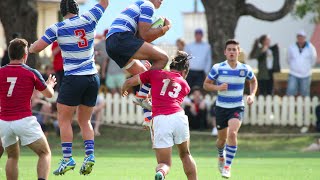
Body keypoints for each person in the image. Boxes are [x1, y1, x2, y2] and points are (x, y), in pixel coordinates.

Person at [29, 0, 109, 175]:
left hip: (73, 78)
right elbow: (105, 2)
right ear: (77, 8)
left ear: (61, 11)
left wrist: (28, 48)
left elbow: (37, 47)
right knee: (85, 121)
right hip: (92, 78)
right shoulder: (89, 18)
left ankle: (67, 159)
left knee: (64, 119)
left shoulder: (57, 28)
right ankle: (89, 155)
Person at [121, 51, 198, 180]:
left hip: (161, 120)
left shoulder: (154, 74)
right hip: (178, 117)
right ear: (184, 72)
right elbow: (168, 101)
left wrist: (124, 88)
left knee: (164, 163)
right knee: (185, 155)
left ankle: (161, 173)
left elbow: (130, 82)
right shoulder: (185, 86)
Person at [106, 0, 172, 124]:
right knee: (163, 58)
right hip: (121, 38)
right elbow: (145, 36)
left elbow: (142, 38)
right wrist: (165, 28)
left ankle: (148, 119)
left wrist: (160, 31)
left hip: (111, 43)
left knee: (145, 74)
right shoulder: (148, 5)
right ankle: (135, 89)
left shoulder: (140, 4)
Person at [0, 38, 56, 180]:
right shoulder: (31, 72)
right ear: (25, 55)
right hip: (24, 120)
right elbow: (49, 95)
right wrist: (50, 84)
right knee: (44, 153)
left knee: (12, 156)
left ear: (9, 55)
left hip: (4, 122)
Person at [203, 39, 258, 178]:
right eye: (229, 50)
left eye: (235, 49)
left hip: (237, 106)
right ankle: (221, 156)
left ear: (238, 52)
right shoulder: (218, 68)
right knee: (221, 140)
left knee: (232, 134)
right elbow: (206, 85)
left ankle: (227, 166)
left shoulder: (245, 69)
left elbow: (253, 81)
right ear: (225, 52)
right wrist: (218, 87)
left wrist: (252, 95)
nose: (232, 52)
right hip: (221, 108)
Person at [287, 30, 317, 97]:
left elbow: (313, 59)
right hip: (293, 73)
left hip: (306, 74)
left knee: (305, 92)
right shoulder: (291, 47)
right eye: (299, 37)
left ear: (305, 38)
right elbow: (288, 59)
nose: (300, 38)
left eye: (302, 37)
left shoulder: (311, 48)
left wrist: (306, 67)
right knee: (291, 91)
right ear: (297, 38)